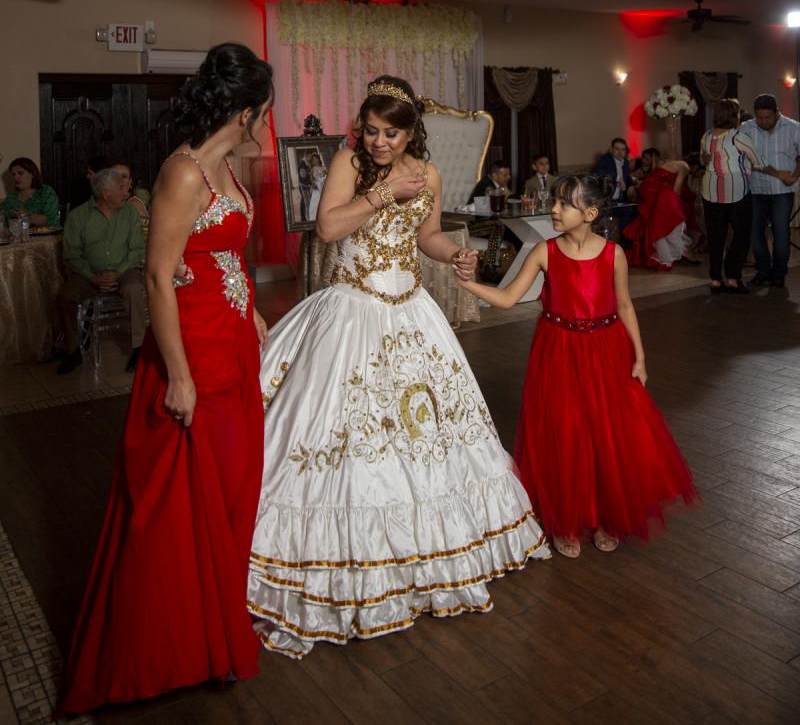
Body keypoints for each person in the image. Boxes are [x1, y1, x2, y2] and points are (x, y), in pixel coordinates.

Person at [247, 77, 549, 658]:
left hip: (411, 310)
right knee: (342, 433)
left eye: (391, 133)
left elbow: (427, 237)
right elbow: (328, 228)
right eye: (371, 131)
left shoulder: (428, 175)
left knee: (428, 432)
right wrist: (384, 191)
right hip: (351, 310)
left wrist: (455, 253)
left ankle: (435, 550)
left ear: (411, 133)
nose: (379, 142)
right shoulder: (349, 164)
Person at [57, 42, 274, 716]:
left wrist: (251, 308)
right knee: (179, 505)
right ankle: (170, 648)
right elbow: (157, 276)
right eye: (264, 109)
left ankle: (214, 624)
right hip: (193, 353)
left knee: (231, 489)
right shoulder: (183, 171)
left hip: (232, 342)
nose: (266, 121)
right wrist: (177, 377)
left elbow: (218, 254)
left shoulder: (229, 166)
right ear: (244, 111)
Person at [457, 174, 698, 557]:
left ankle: (606, 516)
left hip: (606, 349)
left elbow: (624, 306)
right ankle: (566, 519)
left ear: (590, 213)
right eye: (554, 201)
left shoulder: (613, 254)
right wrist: (468, 284)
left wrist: (639, 356)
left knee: (605, 433)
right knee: (567, 432)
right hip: (558, 349)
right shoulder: (545, 252)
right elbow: (507, 299)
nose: (554, 209)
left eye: (564, 203)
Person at [57, 168, 147, 374]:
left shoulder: (130, 213)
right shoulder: (78, 216)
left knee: (134, 289)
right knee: (65, 297)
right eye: (121, 188)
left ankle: (139, 349)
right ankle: (73, 350)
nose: (126, 192)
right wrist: (92, 277)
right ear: (105, 193)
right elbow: (71, 255)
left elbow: (137, 249)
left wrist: (119, 272)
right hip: (88, 273)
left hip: (124, 270)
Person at [700, 99, 766, 294]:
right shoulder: (739, 137)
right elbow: (758, 162)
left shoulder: (706, 136)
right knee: (741, 234)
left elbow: (704, 160)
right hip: (736, 191)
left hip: (710, 191)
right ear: (734, 116)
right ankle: (733, 277)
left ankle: (715, 279)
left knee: (715, 236)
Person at [738, 94, 800, 289]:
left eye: (767, 117)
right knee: (755, 233)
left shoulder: (794, 128)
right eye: (759, 118)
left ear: (777, 113)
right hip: (755, 188)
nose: (763, 121)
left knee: (781, 232)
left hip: (782, 189)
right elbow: (743, 159)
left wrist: (795, 175)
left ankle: (779, 273)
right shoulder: (746, 128)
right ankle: (763, 271)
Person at [623, 150, 695, 270]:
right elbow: (676, 189)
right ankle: (669, 256)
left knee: (658, 224)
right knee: (671, 223)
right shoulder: (685, 167)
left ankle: (672, 255)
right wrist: (680, 203)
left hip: (649, 190)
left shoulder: (670, 163)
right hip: (657, 192)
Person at [1, 157, 60, 226]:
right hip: (16, 233)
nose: (16, 177)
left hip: (45, 232)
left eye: (20, 173)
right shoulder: (11, 197)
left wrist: (27, 216)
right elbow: (5, 222)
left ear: (32, 174)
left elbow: (52, 220)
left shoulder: (45, 192)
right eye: (13, 174)